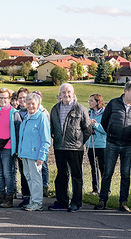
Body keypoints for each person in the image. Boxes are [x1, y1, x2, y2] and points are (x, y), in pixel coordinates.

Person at [94, 81, 131, 212]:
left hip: (128, 144)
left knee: (125, 174)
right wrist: (111, 132)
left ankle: (123, 202)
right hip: (112, 142)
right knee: (108, 172)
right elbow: (104, 121)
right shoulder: (113, 103)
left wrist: (129, 133)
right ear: (126, 91)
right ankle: (102, 200)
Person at [49, 83, 92, 212]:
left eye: (68, 92)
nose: (66, 94)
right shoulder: (55, 109)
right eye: (63, 92)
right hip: (59, 147)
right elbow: (52, 127)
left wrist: (79, 142)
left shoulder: (81, 109)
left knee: (76, 176)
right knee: (61, 175)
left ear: (73, 94)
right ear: (60, 94)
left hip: (75, 148)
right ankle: (62, 202)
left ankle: (76, 202)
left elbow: (88, 129)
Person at [0, 87, 21, 208]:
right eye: (0, 98)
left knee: (7, 173)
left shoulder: (14, 113)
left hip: (8, 147)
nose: (2, 100)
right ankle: (0, 196)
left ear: (10, 99)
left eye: (5, 98)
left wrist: (16, 150)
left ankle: (9, 197)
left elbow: (17, 132)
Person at [18, 93, 51, 211]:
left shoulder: (41, 118)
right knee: (29, 178)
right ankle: (32, 200)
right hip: (25, 154)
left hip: (35, 155)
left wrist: (42, 156)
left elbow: (46, 140)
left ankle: (37, 202)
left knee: (35, 178)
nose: (30, 106)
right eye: (28, 103)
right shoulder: (26, 117)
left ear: (38, 104)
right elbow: (22, 137)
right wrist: (20, 153)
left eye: (33, 104)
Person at [85, 94, 107, 195]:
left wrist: (95, 125)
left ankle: (105, 190)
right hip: (90, 144)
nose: (89, 102)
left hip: (101, 144)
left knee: (103, 167)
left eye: (91, 100)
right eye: (89, 100)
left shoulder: (105, 113)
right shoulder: (88, 113)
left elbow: (106, 130)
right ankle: (95, 189)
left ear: (98, 102)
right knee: (93, 167)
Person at [32, 91, 50, 198]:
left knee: (44, 166)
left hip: (41, 144)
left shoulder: (44, 112)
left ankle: (45, 186)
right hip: (32, 147)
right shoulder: (30, 112)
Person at [15, 87, 31, 206]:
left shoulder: (33, 112)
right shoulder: (15, 112)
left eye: (24, 97)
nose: (22, 100)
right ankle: (25, 196)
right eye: (20, 98)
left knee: (32, 173)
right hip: (19, 148)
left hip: (31, 148)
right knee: (23, 172)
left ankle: (34, 196)